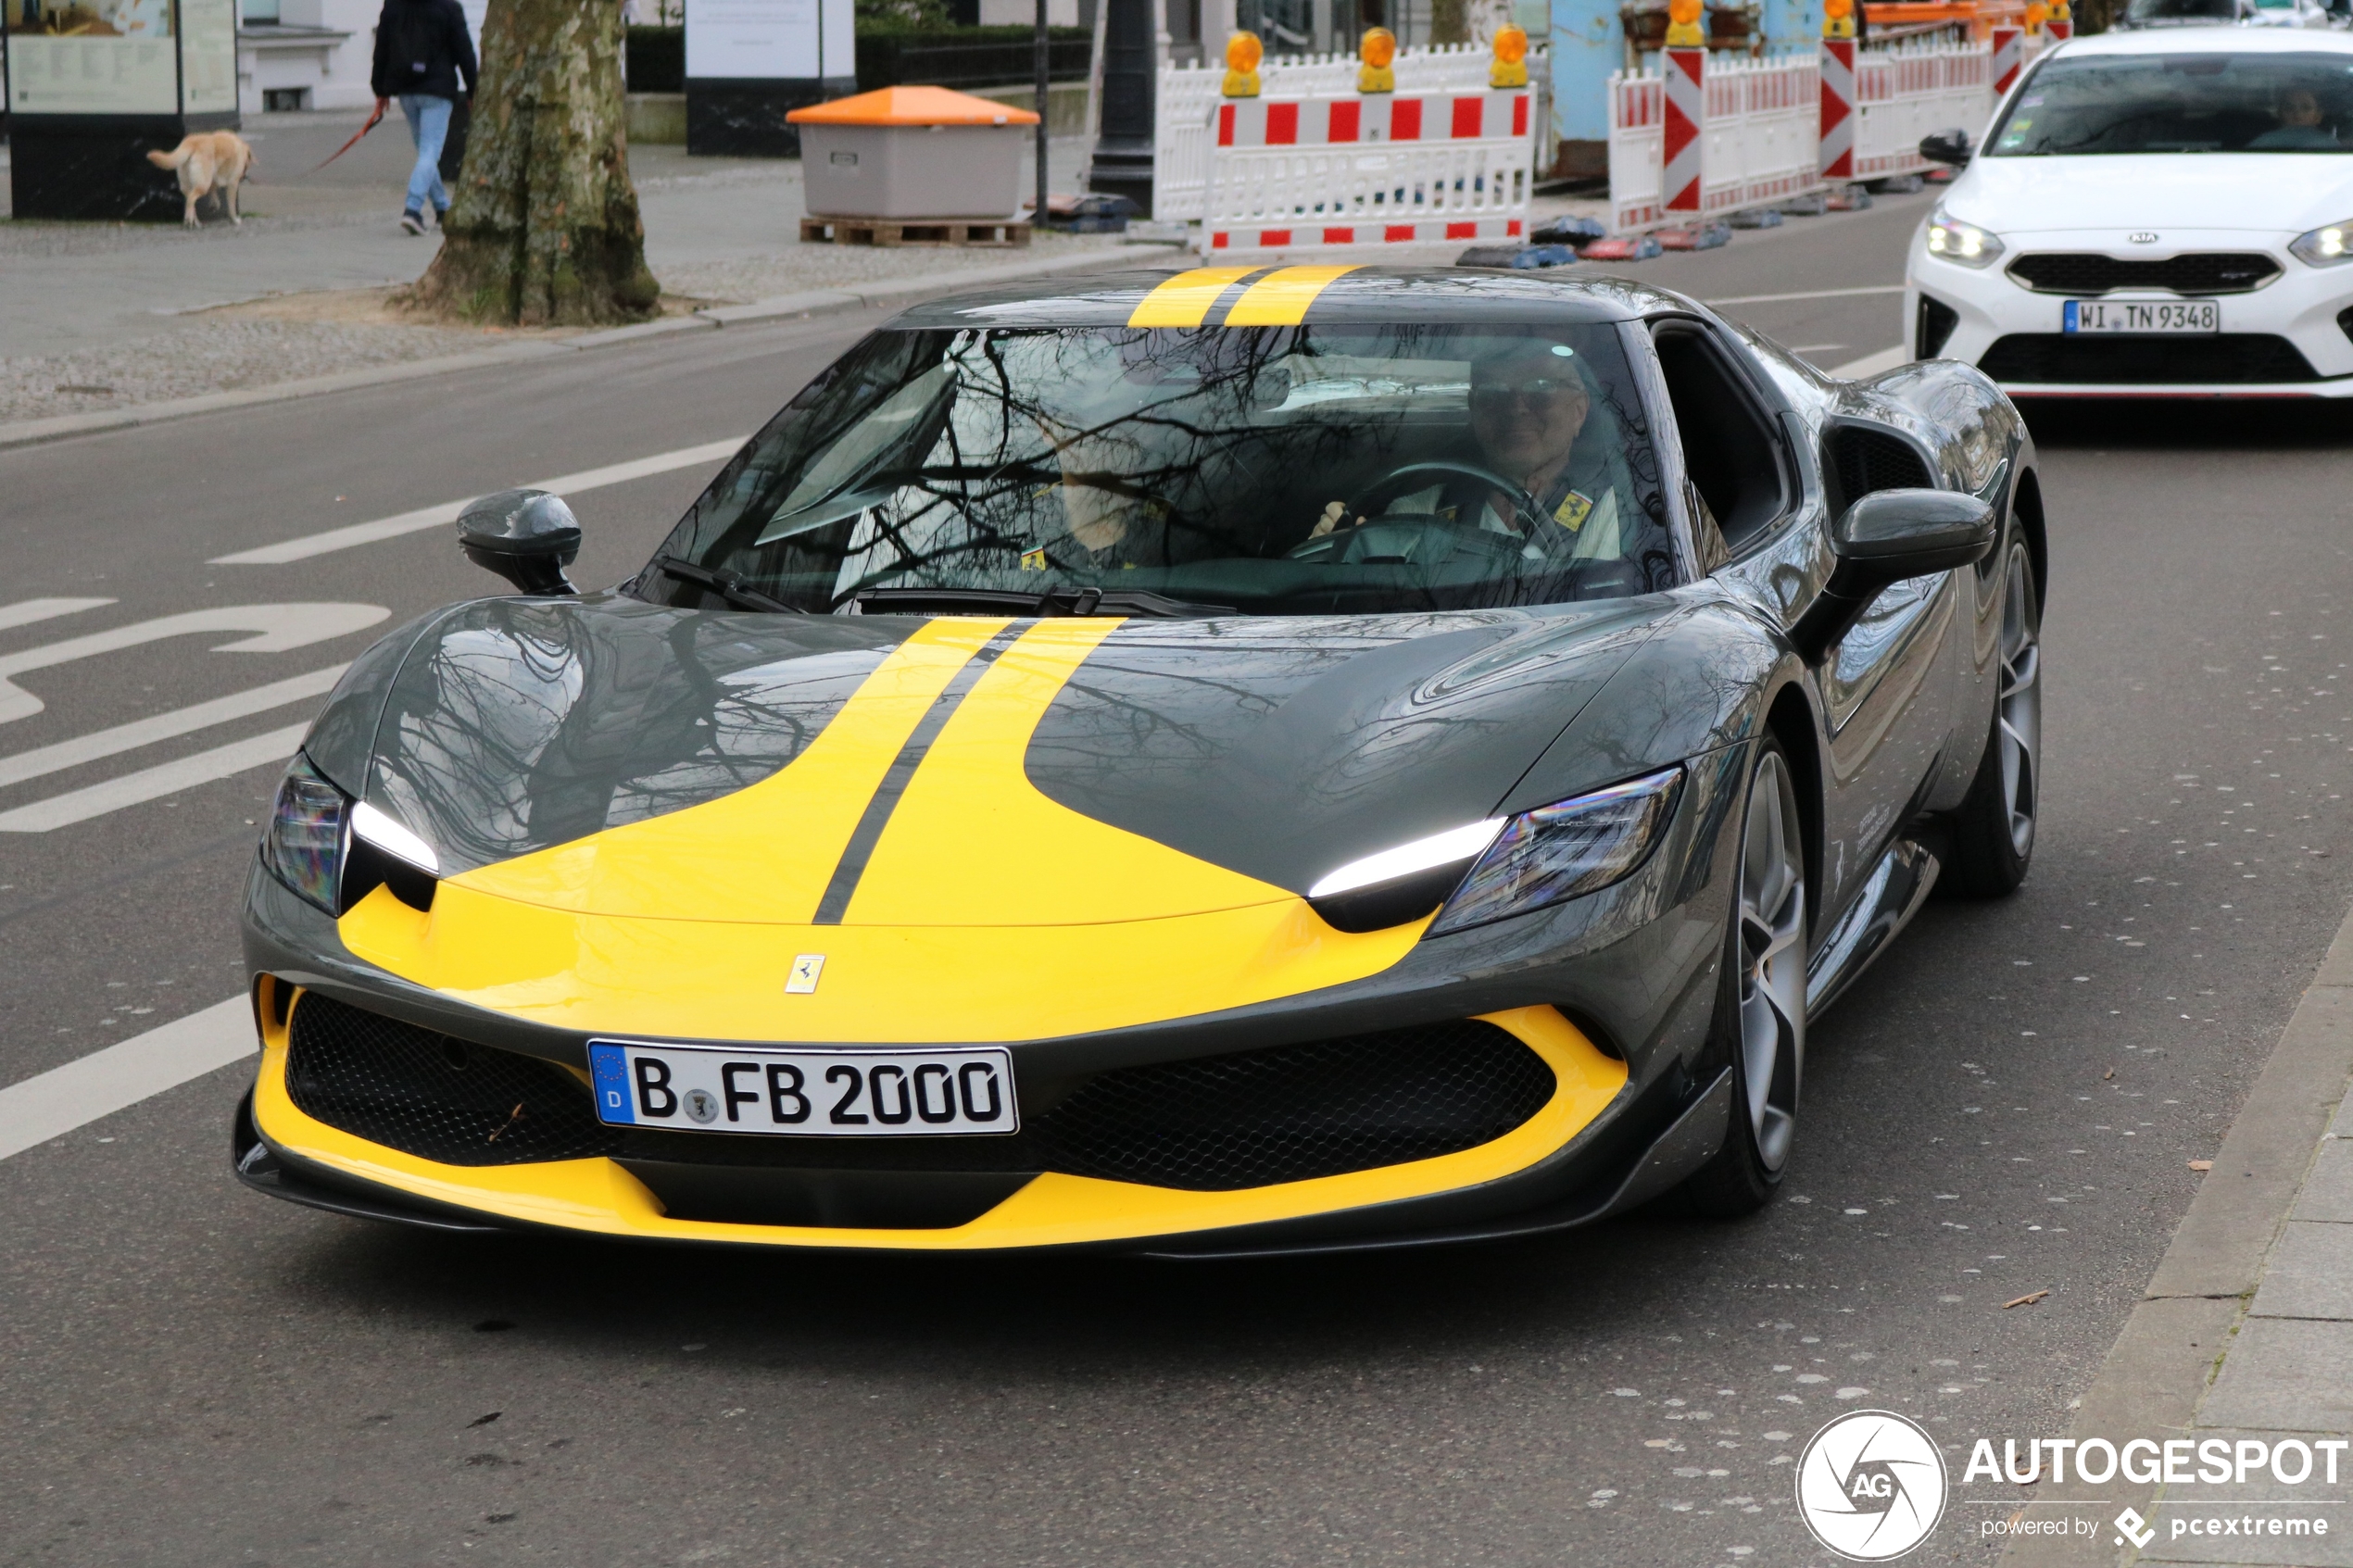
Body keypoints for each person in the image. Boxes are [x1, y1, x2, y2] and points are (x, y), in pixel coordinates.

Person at [370, 0, 477, 234]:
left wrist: (380, 90)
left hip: (406, 91)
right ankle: (412, 209)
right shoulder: (449, 7)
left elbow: (382, 48)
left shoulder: (393, 5)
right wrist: (474, 90)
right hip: (438, 92)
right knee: (430, 152)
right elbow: (464, 51)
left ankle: (442, 209)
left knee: (425, 153)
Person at [2247, 86, 2338, 150]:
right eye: (2289, 108)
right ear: (2279, 113)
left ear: (2318, 115)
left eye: (2306, 108)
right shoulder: (2264, 142)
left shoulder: (2330, 144)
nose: (2297, 114)